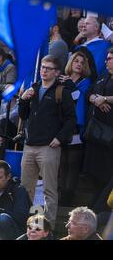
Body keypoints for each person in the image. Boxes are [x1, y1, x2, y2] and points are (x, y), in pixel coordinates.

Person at [19, 55, 76, 228]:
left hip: (48, 146)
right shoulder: (34, 88)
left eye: (48, 68)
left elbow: (71, 120)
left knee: (49, 190)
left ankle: (48, 226)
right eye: (43, 67)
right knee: (25, 189)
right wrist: (23, 100)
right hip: (30, 144)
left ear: (57, 72)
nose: (44, 70)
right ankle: (26, 224)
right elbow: (24, 115)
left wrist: (59, 138)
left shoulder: (62, 91)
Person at [58, 51, 92, 206]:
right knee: (62, 162)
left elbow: (78, 96)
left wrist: (69, 85)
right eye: (76, 61)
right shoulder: (61, 80)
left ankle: (67, 195)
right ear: (70, 63)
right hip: (61, 124)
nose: (78, 64)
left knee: (72, 162)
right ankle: (60, 192)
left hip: (76, 126)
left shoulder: (86, 82)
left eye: (81, 62)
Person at [84, 48, 113, 201]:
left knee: (106, 170)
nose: (106, 61)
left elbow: (105, 98)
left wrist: (106, 99)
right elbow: (89, 92)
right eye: (107, 58)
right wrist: (96, 99)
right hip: (96, 131)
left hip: (110, 133)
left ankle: (100, 202)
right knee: (93, 168)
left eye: (109, 59)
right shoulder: (103, 76)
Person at [0, 160, 32, 240]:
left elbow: (23, 217)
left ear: (8, 177)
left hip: (19, 232)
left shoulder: (19, 190)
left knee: (3, 219)